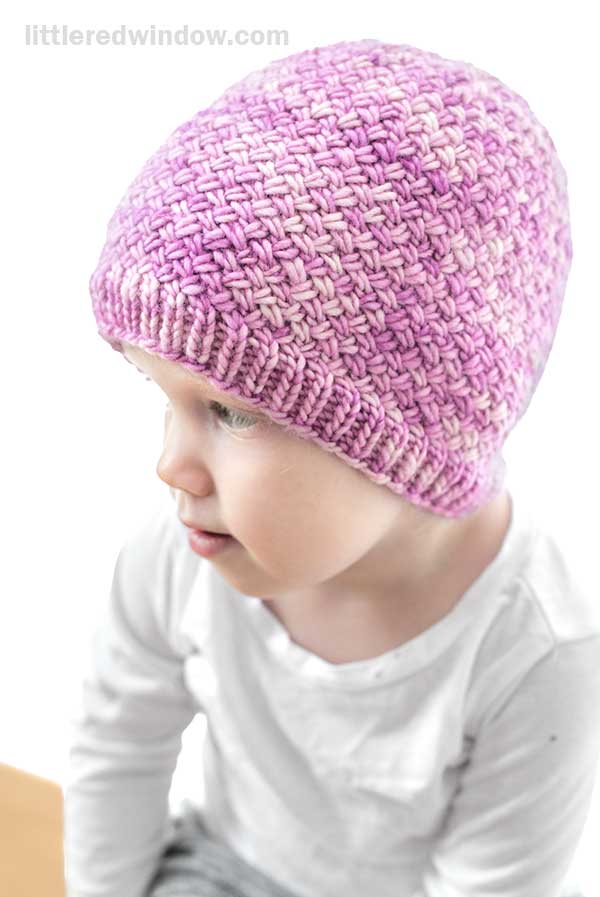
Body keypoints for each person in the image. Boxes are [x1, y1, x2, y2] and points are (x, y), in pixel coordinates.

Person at [63, 38, 600, 897]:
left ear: (410, 438)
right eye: (162, 396)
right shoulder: (177, 558)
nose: (171, 466)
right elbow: (115, 750)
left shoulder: (539, 650)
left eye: (231, 411)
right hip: (218, 870)